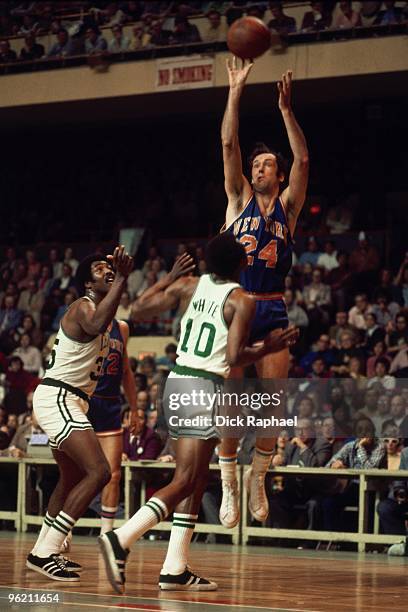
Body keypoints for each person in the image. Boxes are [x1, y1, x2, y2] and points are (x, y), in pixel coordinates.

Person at [98, 235, 298, 594]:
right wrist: (268, 346)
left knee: (195, 477)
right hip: (203, 386)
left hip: (175, 382)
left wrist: (168, 276)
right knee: (187, 478)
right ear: (242, 266)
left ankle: (175, 567)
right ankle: (121, 538)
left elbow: (139, 309)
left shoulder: (187, 285)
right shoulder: (242, 300)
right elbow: (236, 357)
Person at [219, 60, 308, 527]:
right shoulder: (237, 201)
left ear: (278, 173)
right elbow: (229, 143)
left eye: (267, 163)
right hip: (237, 308)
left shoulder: (289, 208)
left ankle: (258, 475)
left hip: (273, 309)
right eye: (256, 164)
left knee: (272, 403)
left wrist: (285, 111)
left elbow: (305, 161)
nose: (259, 167)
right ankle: (229, 477)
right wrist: (236, 90)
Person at [26, 246, 133, 582]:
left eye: (110, 267)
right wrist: (124, 278)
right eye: (101, 269)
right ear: (88, 283)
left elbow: (113, 320)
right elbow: (100, 321)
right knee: (100, 471)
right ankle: (46, 551)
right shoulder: (82, 307)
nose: (108, 270)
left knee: (71, 477)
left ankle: (45, 548)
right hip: (58, 396)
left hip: (73, 400)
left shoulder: (105, 312)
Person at [84, 317, 138, 536]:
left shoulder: (122, 328)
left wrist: (134, 409)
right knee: (76, 473)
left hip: (110, 404)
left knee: (113, 475)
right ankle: (63, 531)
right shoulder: (84, 320)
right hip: (85, 399)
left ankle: (106, 534)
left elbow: (125, 371)